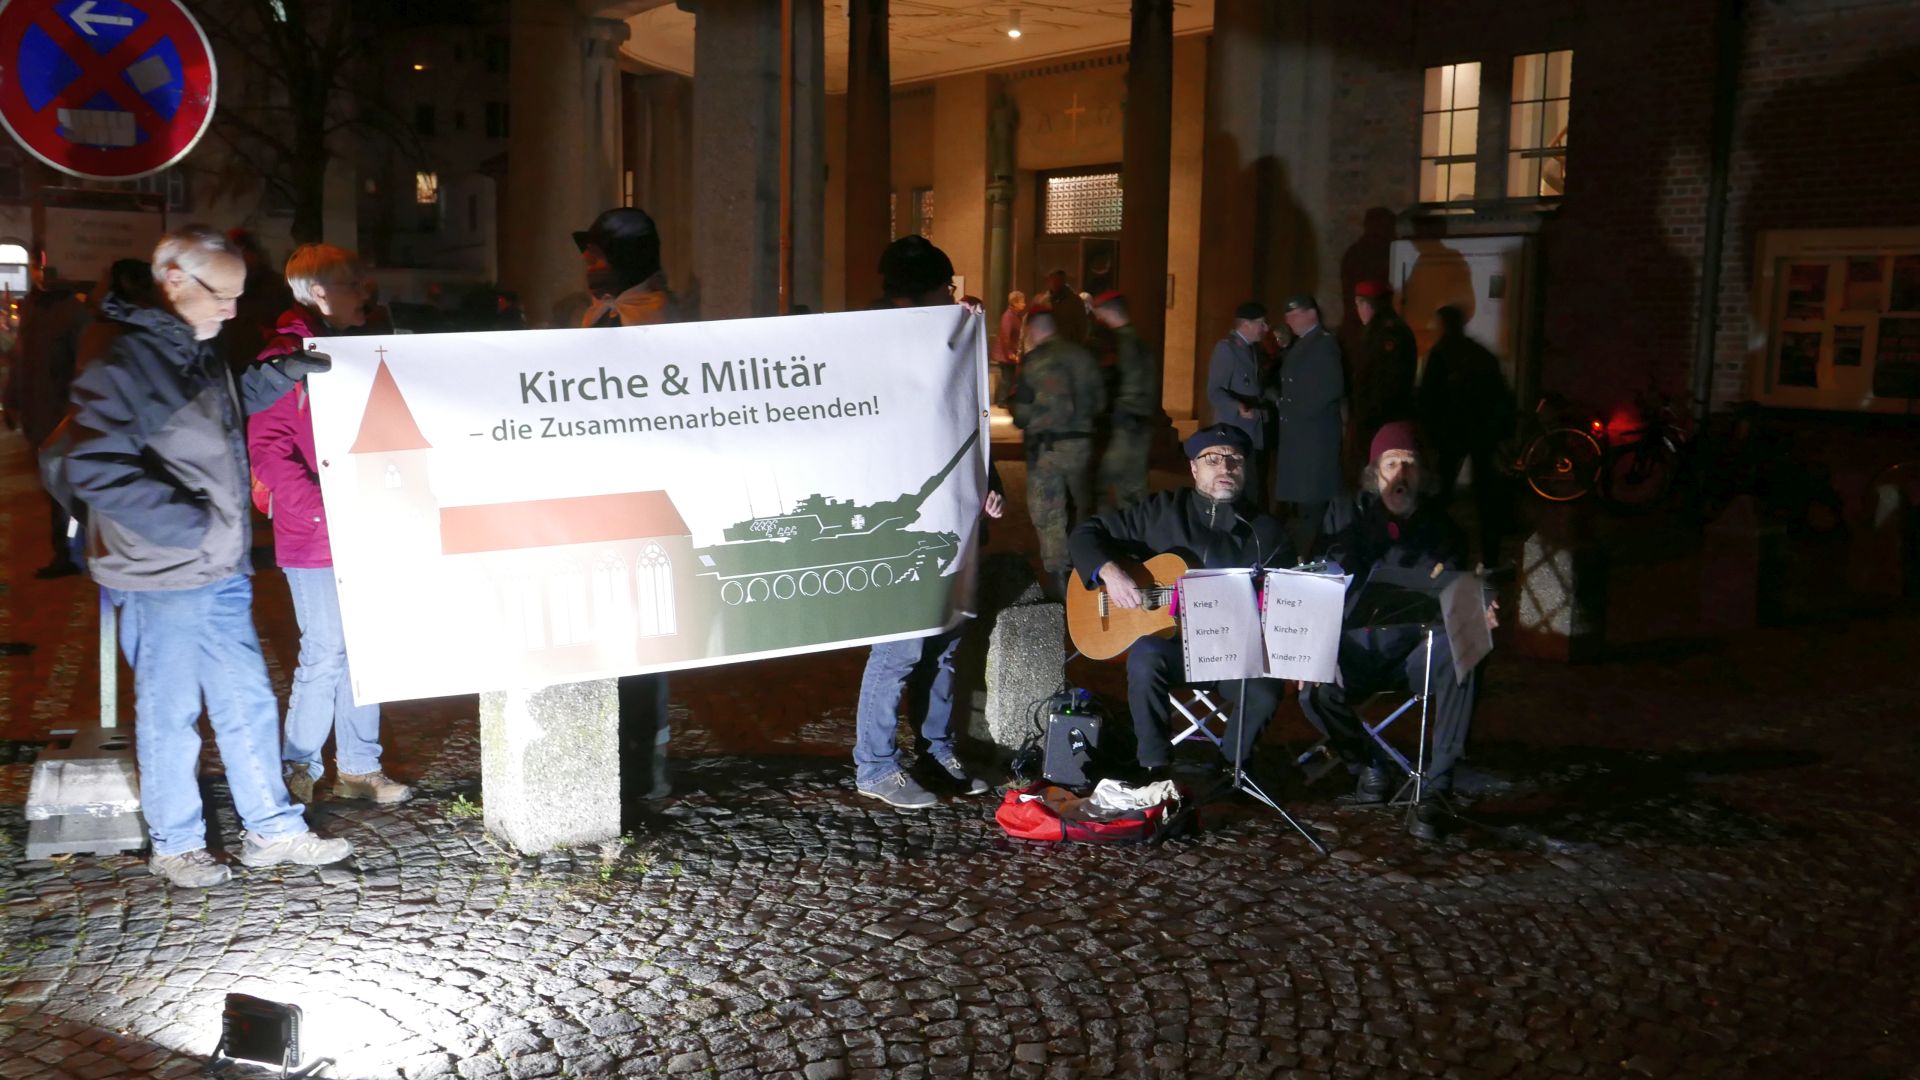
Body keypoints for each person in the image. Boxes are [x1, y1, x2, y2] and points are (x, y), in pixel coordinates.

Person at [65, 225, 352, 888]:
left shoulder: (187, 341)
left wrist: (274, 377)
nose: (230, 310)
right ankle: (176, 843)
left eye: (237, 296)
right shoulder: (123, 355)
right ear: (172, 282)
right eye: (221, 295)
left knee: (247, 698)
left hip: (214, 564)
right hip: (164, 570)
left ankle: (272, 829)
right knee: (171, 711)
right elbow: (94, 463)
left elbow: (216, 418)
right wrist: (190, 524)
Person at [243, 244, 412, 808]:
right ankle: (298, 767)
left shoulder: (355, 348)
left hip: (361, 524)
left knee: (368, 649)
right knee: (327, 651)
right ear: (319, 293)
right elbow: (266, 451)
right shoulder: (285, 357)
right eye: (352, 283)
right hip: (315, 532)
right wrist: (321, 508)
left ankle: (360, 767)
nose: (364, 291)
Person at [854, 235, 1006, 808]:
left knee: (943, 643)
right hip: (901, 528)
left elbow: (966, 417)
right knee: (899, 649)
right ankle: (874, 764)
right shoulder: (869, 340)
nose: (954, 295)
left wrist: (992, 488)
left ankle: (936, 746)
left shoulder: (949, 333)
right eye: (945, 286)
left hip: (954, 521)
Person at [1300, 421, 1494, 840]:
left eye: (1410, 465)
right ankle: (1368, 764)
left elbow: (1459, 593)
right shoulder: (1345, 520)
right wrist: (1309, 644)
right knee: (1311, 689)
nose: (1401, 475)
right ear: (1376, 473)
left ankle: (1437, 787)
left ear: (1422, 476)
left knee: (1468, 645)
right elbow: (1315, 582)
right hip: (1354, 652)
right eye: (1392, 463)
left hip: (1414, 653)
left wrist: (1478, 607)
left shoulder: (1445, 530)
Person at [1068, 423, 1296, 775]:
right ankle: (1154, 766)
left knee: (1265, 689)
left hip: (1232, 652)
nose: (1225, 468)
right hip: (1174, 651)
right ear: (1193, 468)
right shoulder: (1160, 512)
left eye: (1234, 459)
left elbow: (1284, 604)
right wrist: (1111, 573)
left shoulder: (1268, 533)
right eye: (1212, 459)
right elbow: (1085, 535)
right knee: (1145, 655)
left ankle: (1232, 769)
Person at [574, 207, 680, 808]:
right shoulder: (594, 315)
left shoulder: (660, 319)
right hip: (595, 501)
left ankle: (642, 772)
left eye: (598, 256)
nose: (589, 267)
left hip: (644, 506)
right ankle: (605, 762)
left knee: (644, 642)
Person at [4, 259, 89, 578]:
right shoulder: (32, 310)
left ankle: (71, 554)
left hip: (62, 420)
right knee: (55, 490)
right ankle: (67, 551)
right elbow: (20, 360)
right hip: (39, 419)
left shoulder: (75, 315)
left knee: (65, 491)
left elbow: (82, 368)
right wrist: (11, 400)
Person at [1013, 304, 1105, 594]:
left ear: (1035, 330)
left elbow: (1022, 414)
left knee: (1049, 516)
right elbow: (1100, 401)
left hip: (1047, 452)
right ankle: (1089, 570)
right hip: (1082, 446)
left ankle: (1061, 584)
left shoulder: (1033, 360)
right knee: (1084, 510)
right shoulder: (1084, 356)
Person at [1418, 305, 1517, 566]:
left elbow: (1428, 398)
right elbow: (1502, 396)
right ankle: (1490, 557)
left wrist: (1428, 436)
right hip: (1482, 434)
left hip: (1453, 434)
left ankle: (1439, 551)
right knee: (1486, 498)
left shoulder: (1440, 355)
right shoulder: (1480, 353)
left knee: (1441, 495)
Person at [1272, 294, 1345, 556]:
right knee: (1302, 501)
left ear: (1310, 314)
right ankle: (1303, 551)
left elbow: (1330, 387)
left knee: (1312, 498)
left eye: (1293, 315)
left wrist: (1296, 410)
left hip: (1313, 436)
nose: (1287, 320)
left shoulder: (1323, 343)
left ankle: (1310, 553)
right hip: (1301, 435)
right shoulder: (1304, 343)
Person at [1090, 291, 1162, 513]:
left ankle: (1106, 536)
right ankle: (1136, 539)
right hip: (1142, 425)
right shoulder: (1141, 343)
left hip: (1124, 426)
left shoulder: (1119, 345)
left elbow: (1108, 385)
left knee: (1097, 487)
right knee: (1134, 489)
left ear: (1109, 312)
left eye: (1099, 313)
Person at [1206, 301, 1270, 496]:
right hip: (1236, 430)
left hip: (1253, 429)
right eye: (1262, 323)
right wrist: (1238, 407)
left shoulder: (1253, 349)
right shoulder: (1227, 349)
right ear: (1246, 324)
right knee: (1238, 487)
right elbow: (1214, 391)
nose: (1265, 328)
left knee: (1254, 485)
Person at [1349, 280, 1418, 448]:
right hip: (1383, 416)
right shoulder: (1388, 329)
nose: (1358, 310)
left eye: (1358, 304)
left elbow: (1386, 380)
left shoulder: (1385, 333)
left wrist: (1367, 413)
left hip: (1380, 419)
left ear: (1366, 304)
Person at [1038, 268, 1089, 346]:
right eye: (1053, 280)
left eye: (1058, 280)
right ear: (1049, 281)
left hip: (1069, 346)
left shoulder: (1075, 301)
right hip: (1049, 347)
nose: (1056, 283)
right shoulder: (1043, 302)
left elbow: (1082, 325)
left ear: (1064, 281)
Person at [993, 289, 1026, 407]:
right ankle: (1002, 400)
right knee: (1006, 378)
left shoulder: (1015, 316)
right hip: (1005, 354)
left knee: (1009, 377)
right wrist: (1010, 353)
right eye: (1022, 302)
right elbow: (1005, 336)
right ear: (1015, 302)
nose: (1024, 304)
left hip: (1009, 353)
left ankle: (1005, 399)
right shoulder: (1009, 316)